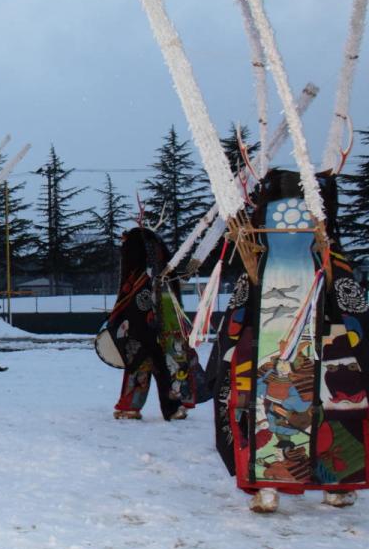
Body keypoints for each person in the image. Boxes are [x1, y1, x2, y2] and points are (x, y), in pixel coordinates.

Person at [212, 169, 367, 513]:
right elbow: (355, 310)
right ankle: (331, 487)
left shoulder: (260, 260)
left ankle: (270, 487)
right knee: (332, 414)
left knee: (275, 414)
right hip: (329, 349)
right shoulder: (328, 258)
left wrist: (223, 355)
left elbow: (235, 317)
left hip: (273, 352)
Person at [101, 228, 203, 421]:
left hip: (144, 327)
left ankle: (135, 407)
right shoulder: (163, 275)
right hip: (165, 325)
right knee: (168, 363)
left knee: (143, 363)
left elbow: (131, 303)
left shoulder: (139, 277)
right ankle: (174, 405)